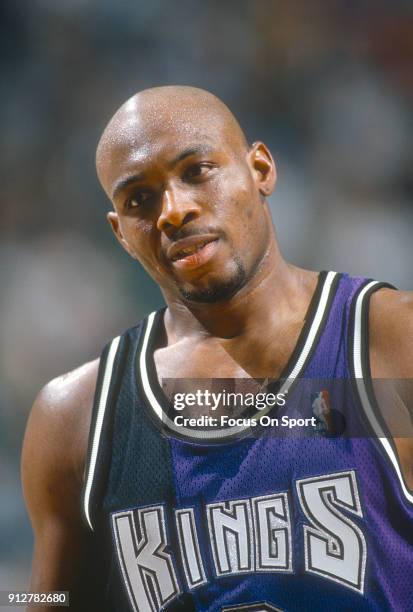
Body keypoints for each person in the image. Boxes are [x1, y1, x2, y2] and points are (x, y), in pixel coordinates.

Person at [22, 86, 413, 612]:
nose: (174, 211)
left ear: (261, 169)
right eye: (139, 199)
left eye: (197, 171)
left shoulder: (391, 342)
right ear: (120, 234)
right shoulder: (74, 418)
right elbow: (47, 599)